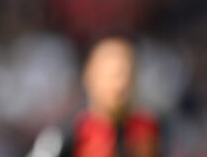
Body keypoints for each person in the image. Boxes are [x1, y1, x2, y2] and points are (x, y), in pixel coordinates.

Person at [28, 37, 163, 157]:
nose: (120, 85)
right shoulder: (68, 133)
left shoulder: (151, 129)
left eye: (126, 74)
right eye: (112, 76)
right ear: (89, 76)